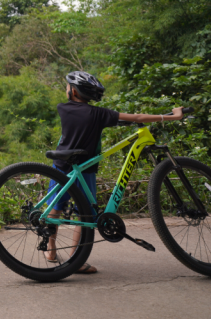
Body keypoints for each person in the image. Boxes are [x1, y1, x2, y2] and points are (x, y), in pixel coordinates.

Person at [44, 70, 183, 274]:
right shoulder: (99, 115)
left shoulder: (63, 108)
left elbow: (85, 119)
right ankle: (77, 260)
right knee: (85, 216)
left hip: (61, 165)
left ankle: (50, 249)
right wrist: (171, 116)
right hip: (87, 169)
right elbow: (138, 117)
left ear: (73, 92)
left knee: (54, 208)